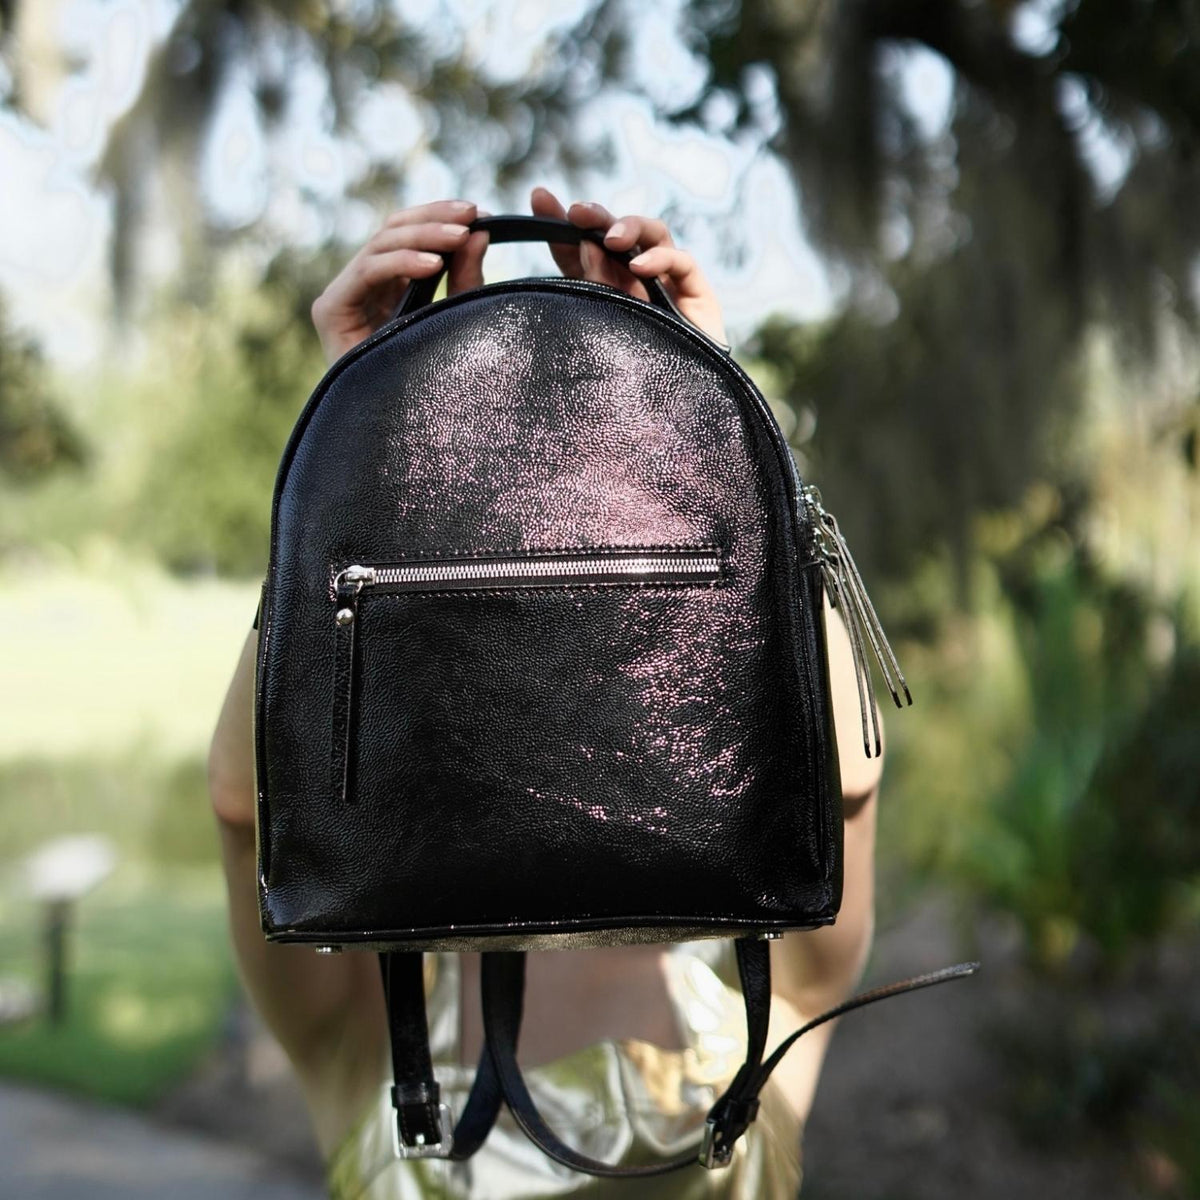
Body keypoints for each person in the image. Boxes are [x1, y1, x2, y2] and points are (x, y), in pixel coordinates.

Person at [207, 186, 883, 1198]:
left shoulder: (357, 1051)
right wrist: (363, 431)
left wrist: (715, 419)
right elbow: (247, 800)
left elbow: (844, 774)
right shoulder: (768, 1027)